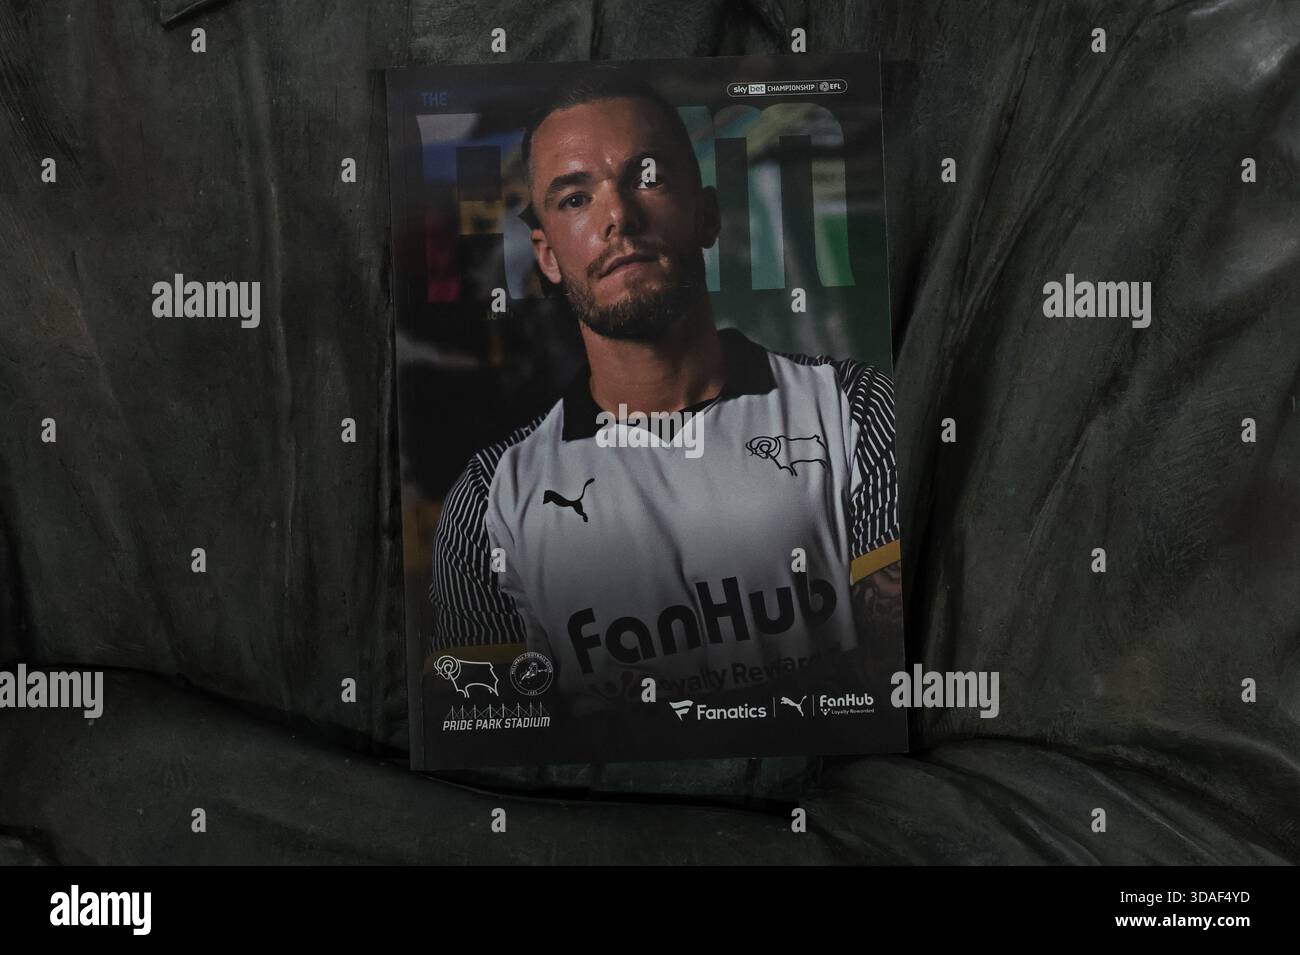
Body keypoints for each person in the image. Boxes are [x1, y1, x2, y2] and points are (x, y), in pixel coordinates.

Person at [429, 67, 903, 718]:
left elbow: (896, 698)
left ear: (705, 212)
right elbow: (494, 756)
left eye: (645, 177)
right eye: (574, 199)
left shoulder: (859, 412)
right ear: (545, 255)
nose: (618, 216)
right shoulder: (487, 504)